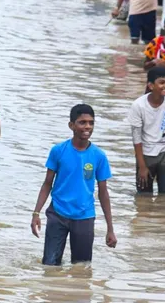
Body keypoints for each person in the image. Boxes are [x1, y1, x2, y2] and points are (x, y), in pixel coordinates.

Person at [30, 104, 117, 266]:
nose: (87, 127)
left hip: (84, 217)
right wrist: (36, 213)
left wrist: (110, 228)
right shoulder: (58, 151)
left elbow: (103, 192)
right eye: (82, 122)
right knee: (49, 265)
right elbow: (47, 183)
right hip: (57, 214)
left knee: (81, 268)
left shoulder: (99, 156)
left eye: (91, 122)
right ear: (71, 125)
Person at [127, 66, 165, 194]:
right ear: (151, 86)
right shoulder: (138, 105)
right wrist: (142, 166)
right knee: (143, 196)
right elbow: (136, 138)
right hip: (146, 153)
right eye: (162, 82)